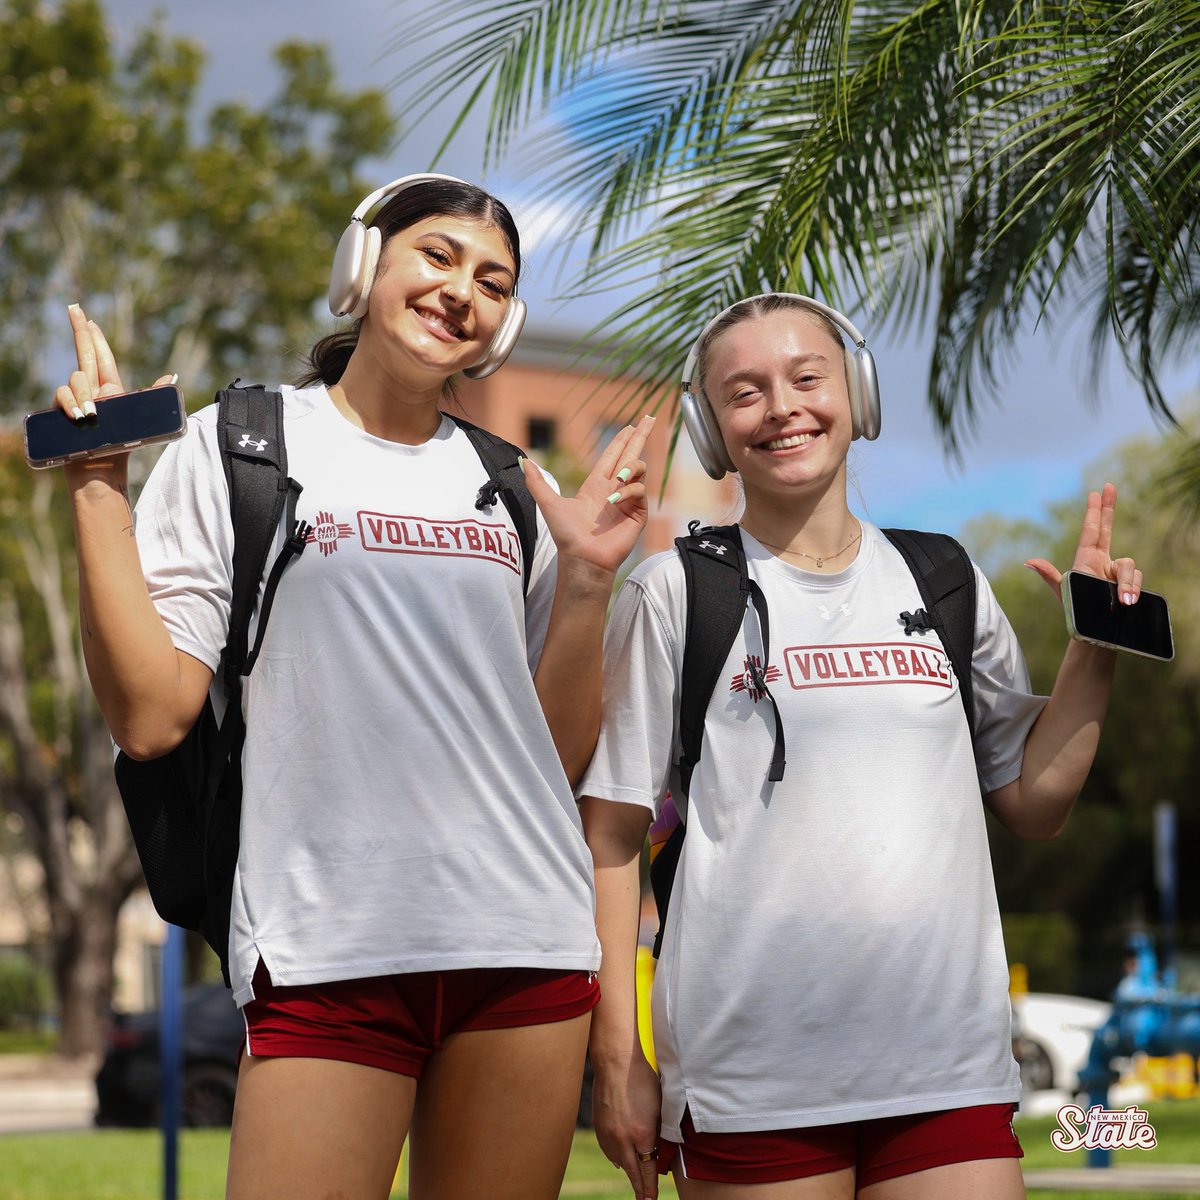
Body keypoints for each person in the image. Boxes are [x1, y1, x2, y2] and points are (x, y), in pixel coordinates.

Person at [50, 174, 654, 1200]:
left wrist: (589, 581)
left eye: (494, 281)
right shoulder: (242, 444)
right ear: (362, 264)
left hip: (524, 946)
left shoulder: (512, 486)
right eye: (439, 256)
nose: (464, 289)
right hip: (326, 944)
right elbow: (152, 718)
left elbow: (552, 760)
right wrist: (98, 482)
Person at [578, 292, 1143, 1200]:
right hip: (750, 1080)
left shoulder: (944, 576)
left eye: (809, 377)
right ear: (712, 428)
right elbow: (610, 840)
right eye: (746, 391)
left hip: (949, 1068)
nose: (784, 407)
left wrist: (1092, 648)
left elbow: (1036, 804)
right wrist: (618, 1058)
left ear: (860, 396)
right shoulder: (675, 591)